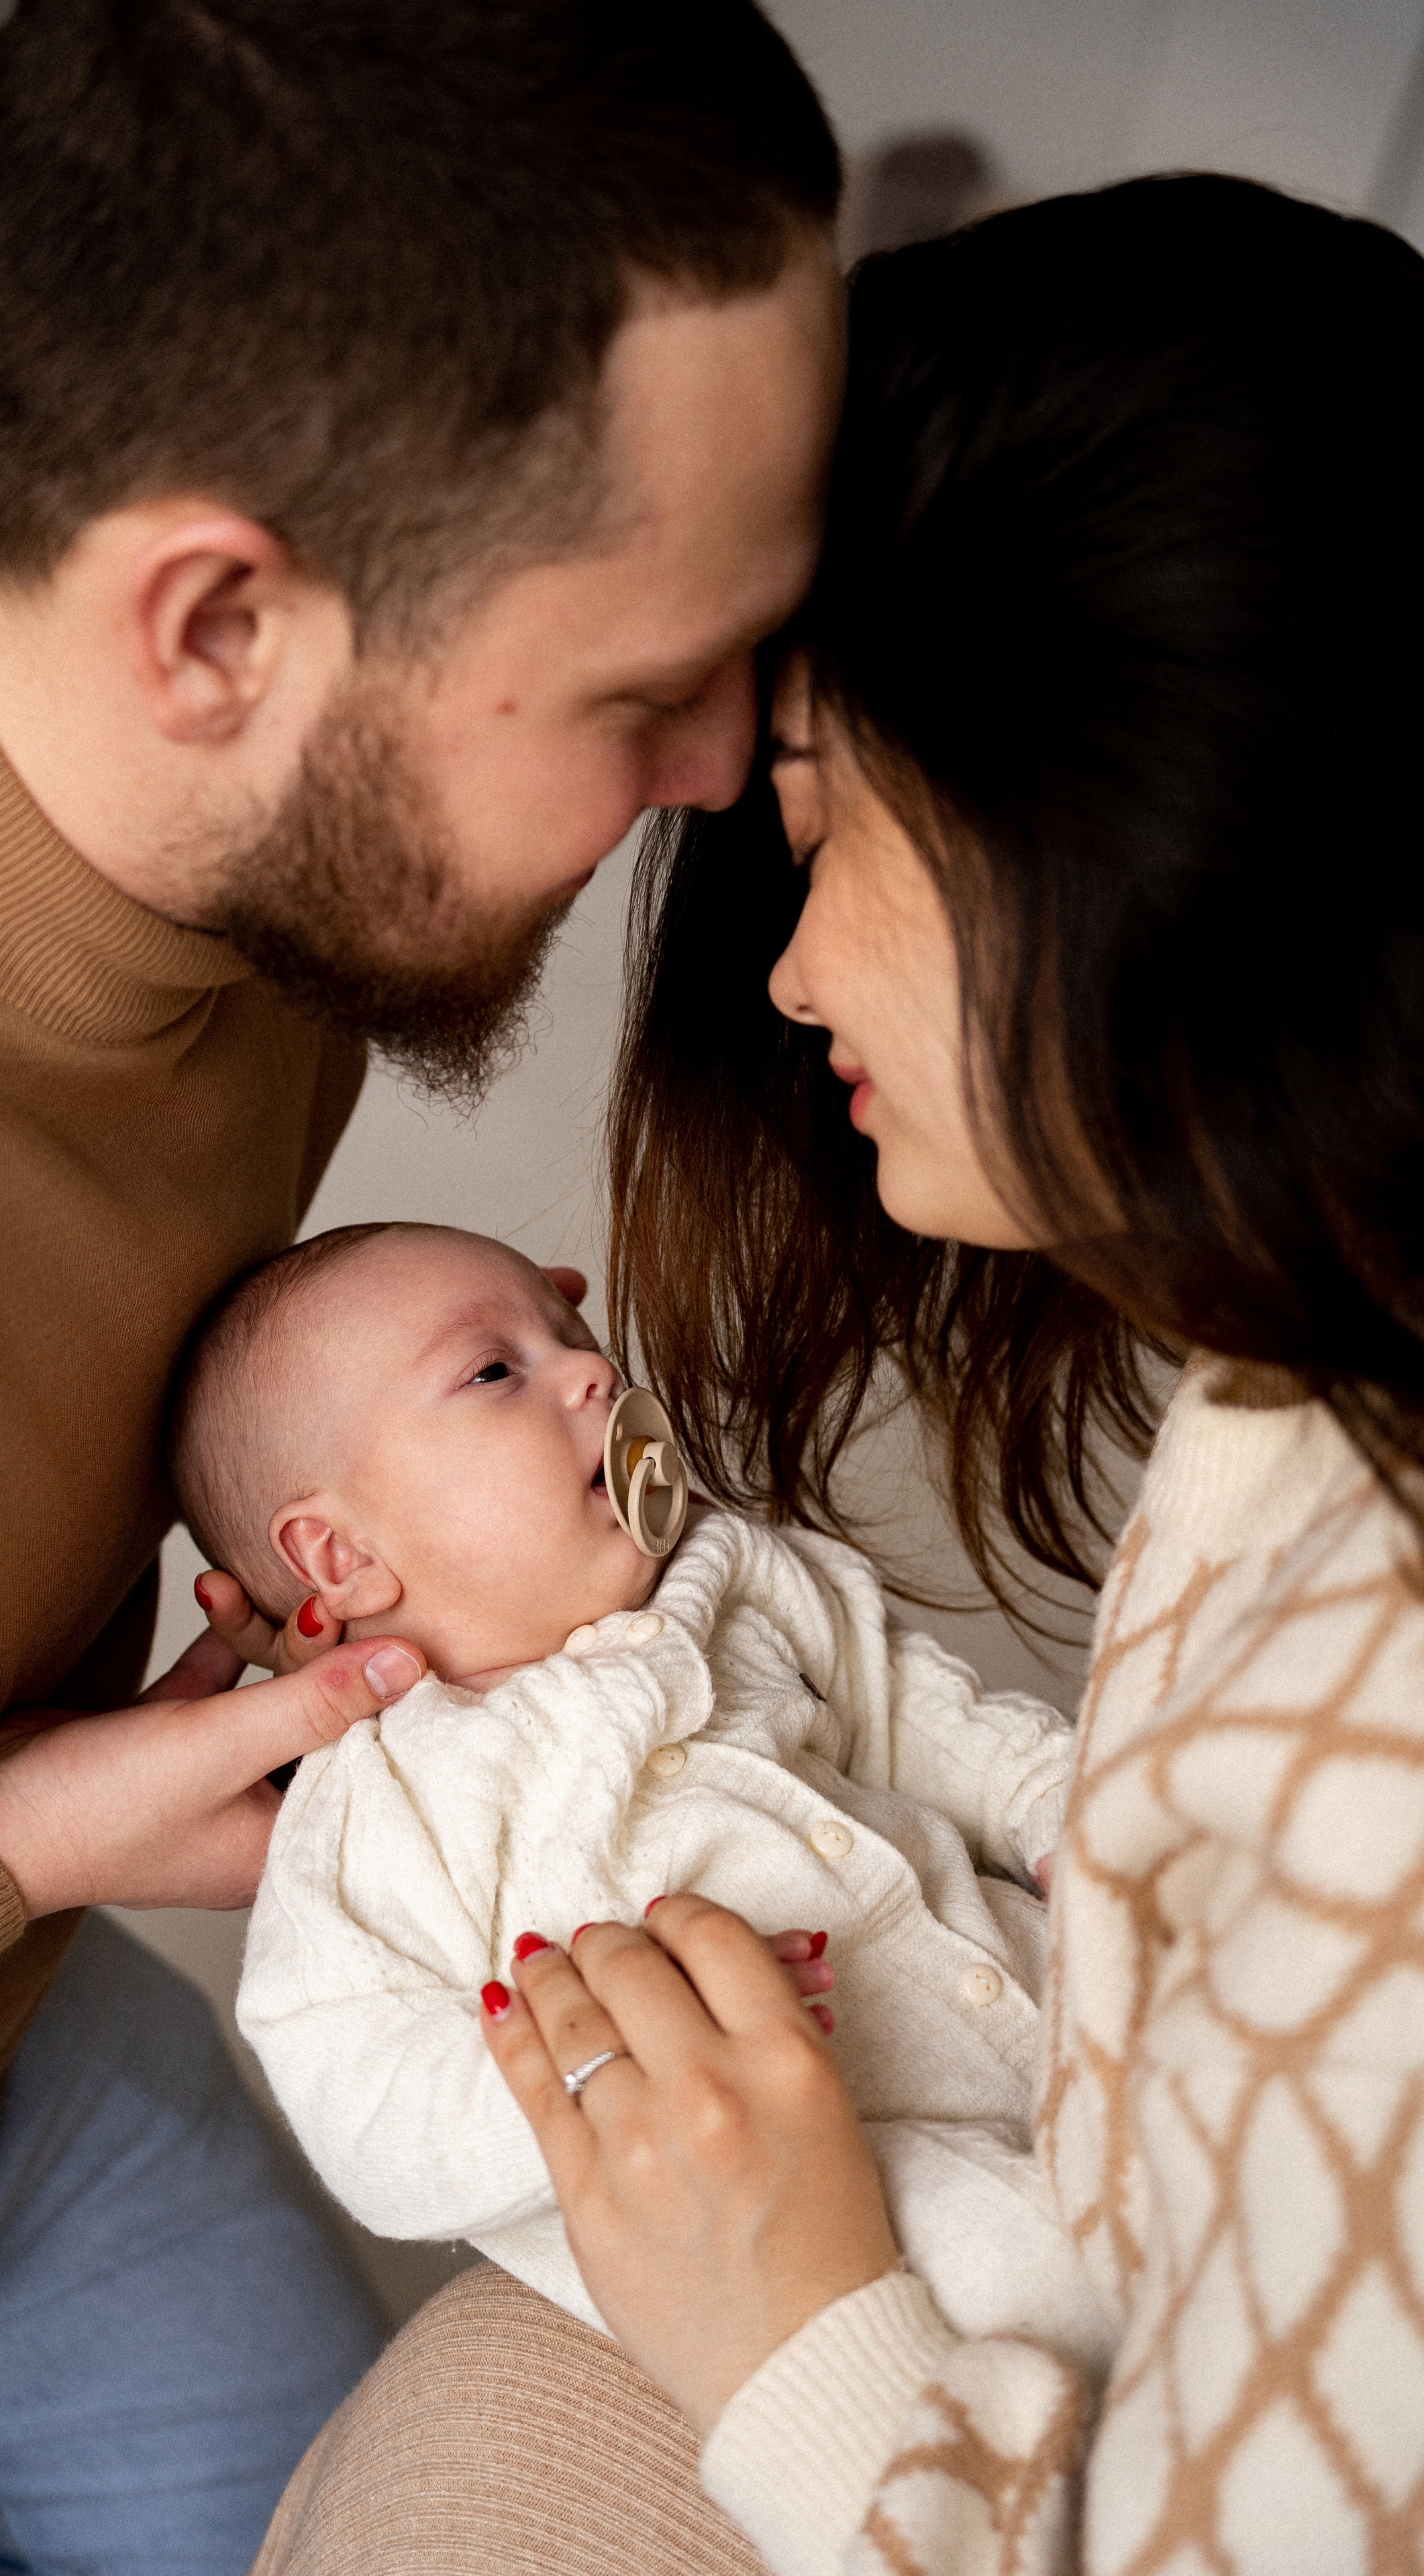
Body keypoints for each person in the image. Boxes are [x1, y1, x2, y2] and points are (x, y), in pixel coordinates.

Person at [0, 3, 844, 2568]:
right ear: (216, 626)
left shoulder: (198, 839)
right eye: (642, 692)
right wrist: (19, 1839)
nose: (719, 774)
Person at [249, 176, 1424, 2575]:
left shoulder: (1346, 1696)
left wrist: (795, 2325)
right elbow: (356, 2069)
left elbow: (968, 1741)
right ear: (327, 1554)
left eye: (816, 817)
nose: (783, 978)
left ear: (1102, 795)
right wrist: (566, 2113)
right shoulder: (1284, 1418)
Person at [167, 1220, 1101, 2369]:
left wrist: (1065, 1811)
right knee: (1036, 2272)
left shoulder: (729, 1574)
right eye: (495, 1370)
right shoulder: (382, 1802)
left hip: (1057, 1982)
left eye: (573, 1333)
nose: (593, 1372)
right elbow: (357, 2093)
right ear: (339, 1558)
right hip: (836, 2178)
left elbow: (919, 1710)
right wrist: (590, 2067)